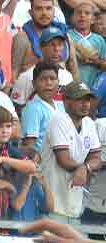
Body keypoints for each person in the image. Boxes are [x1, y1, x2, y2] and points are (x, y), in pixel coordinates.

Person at [41, 80, 102, 218]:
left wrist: (85, 168)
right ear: (66, 101)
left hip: (74, 200)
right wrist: (85, 168)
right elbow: (64, 160)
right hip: (51, 198)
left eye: (88, 100)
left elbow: (97, 159)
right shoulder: (58, 120)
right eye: (80, 100)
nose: (86, 104)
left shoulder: (89, 123)